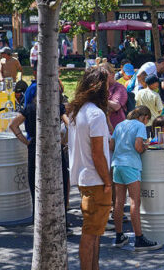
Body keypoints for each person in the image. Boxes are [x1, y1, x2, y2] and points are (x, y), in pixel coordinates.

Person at [66, 66, 113, 270]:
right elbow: (97, 153)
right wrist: (108, 181)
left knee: (93, 233)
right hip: (96, 179)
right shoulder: (95, 114)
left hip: (85, 178)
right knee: (91, 233)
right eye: (108, 87)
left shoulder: (79, 111)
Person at [109, 105, 161, 251]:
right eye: (146, 120)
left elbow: (111, 145)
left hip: (117, 164)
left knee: (118, 202)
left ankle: (119, 235)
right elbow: (138, 146)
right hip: (131, 165)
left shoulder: (119, 124)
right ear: (144, 117)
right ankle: (139, 238)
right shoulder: (140, 126)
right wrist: (145, 146)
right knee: (134, 201)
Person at [99, 63, 128, 131]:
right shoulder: (99, 88)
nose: (101, 77)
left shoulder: (119, 88)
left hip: (117, 128)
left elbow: (116, 106)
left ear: (113, 74)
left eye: (104, 74)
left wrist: (99, 98)